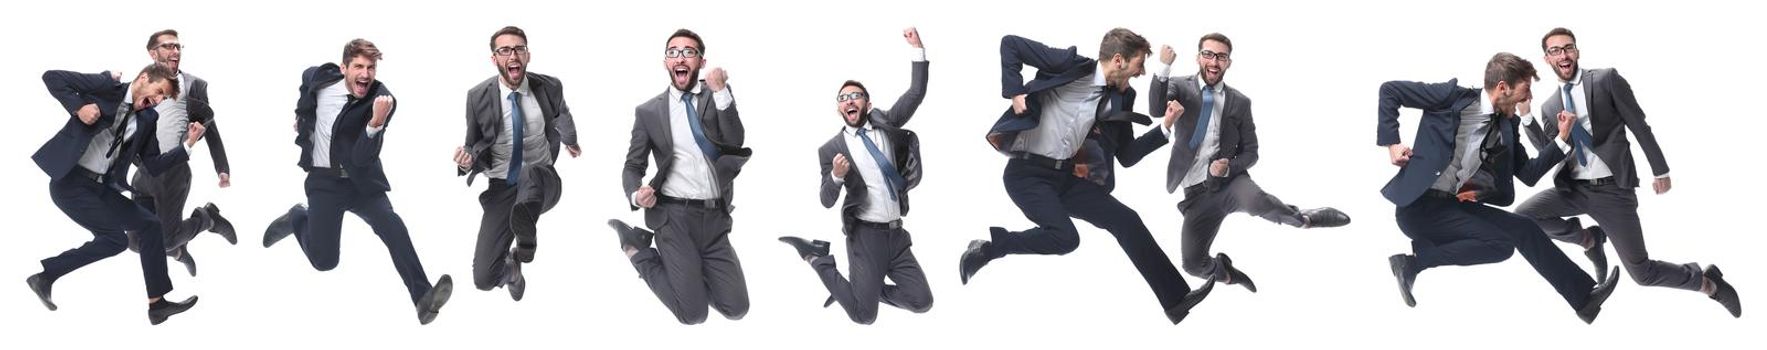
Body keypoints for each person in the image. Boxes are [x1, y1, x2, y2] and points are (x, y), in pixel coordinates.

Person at [1378, 52, 1619, 323]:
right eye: (1525, 91)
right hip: (1417, 207)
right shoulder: (1451, 97)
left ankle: (1585, 300)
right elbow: (1390, 91)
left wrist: (1562, 140)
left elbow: (1527, 173)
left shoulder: (1507, 125)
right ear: (1503, 87)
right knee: (1499, 244)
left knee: (1523, 229)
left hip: (1450, 205)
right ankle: (1413, 263)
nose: (1527, 99)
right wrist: (1393, 145)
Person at [261, 39, 454, 325]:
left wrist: (375, 123)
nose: (365, 74)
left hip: (361, 182)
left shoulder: (383, 100)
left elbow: (362, 158)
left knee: (392, 225)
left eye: (371, 68)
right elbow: (305, 80)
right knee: (325, 262)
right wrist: (303, 116)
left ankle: (423, 298)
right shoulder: (321, 77)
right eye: (359, 67)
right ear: (344, 68)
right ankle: (297, 217)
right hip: (324, 183)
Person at [778, 27, 934, 325]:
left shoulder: (887, 123)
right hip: (865, 237)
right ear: (839, 108)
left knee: (922, 301)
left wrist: (918, 50)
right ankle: (818, 258)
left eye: (856, 96)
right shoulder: (830, 150)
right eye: (843, 97)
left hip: (897, 235)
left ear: (868, 103)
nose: (849, 100)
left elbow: (916, 93)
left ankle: (854, 291)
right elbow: (826, 199)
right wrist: (836, 176)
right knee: (864, 315)